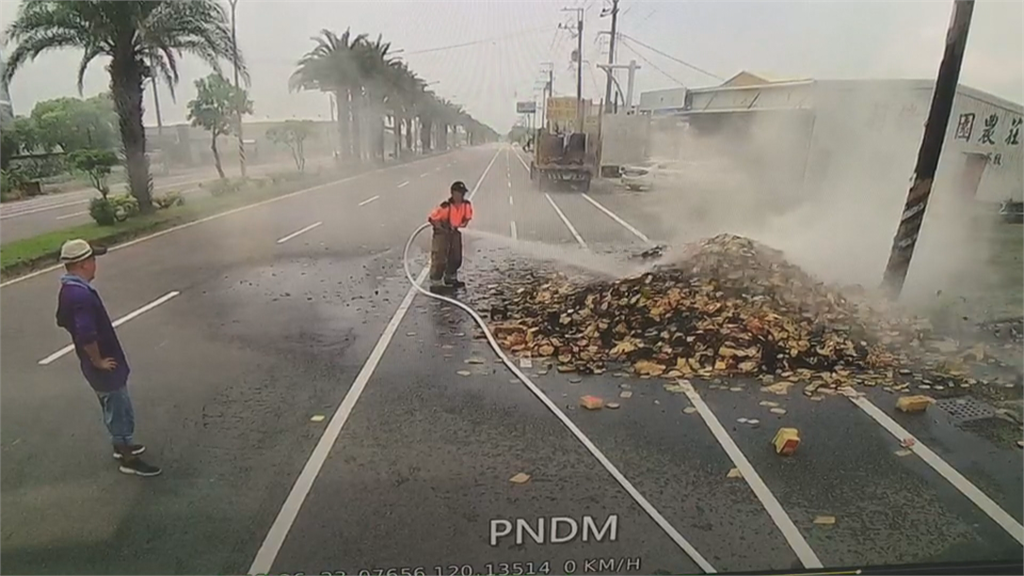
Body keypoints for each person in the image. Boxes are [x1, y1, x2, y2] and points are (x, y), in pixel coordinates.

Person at [55, 239, 162, 477]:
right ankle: (127, 456)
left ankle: (120, 444)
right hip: (103, 365)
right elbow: (86, 333)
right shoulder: (80, 295)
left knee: (110, 404)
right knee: (118, 406)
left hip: (91, 364)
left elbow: (62, 320)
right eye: (92, 260)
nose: (95, 265)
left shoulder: (68, 290)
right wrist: (98, 360)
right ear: (82, 264)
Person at [427, 181, 474, 289]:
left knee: (456, 257)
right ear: (453, 193)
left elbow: (466, 219)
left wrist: (459, 226)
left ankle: (451, 278)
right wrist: (443, 228)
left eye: (462, 193)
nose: (461, 196)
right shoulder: (445, 207)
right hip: (442, 233)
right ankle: (436, 282)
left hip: (455, 232)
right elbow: (432, 218)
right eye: (459, 193)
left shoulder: (466, 205)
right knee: (440, 258)